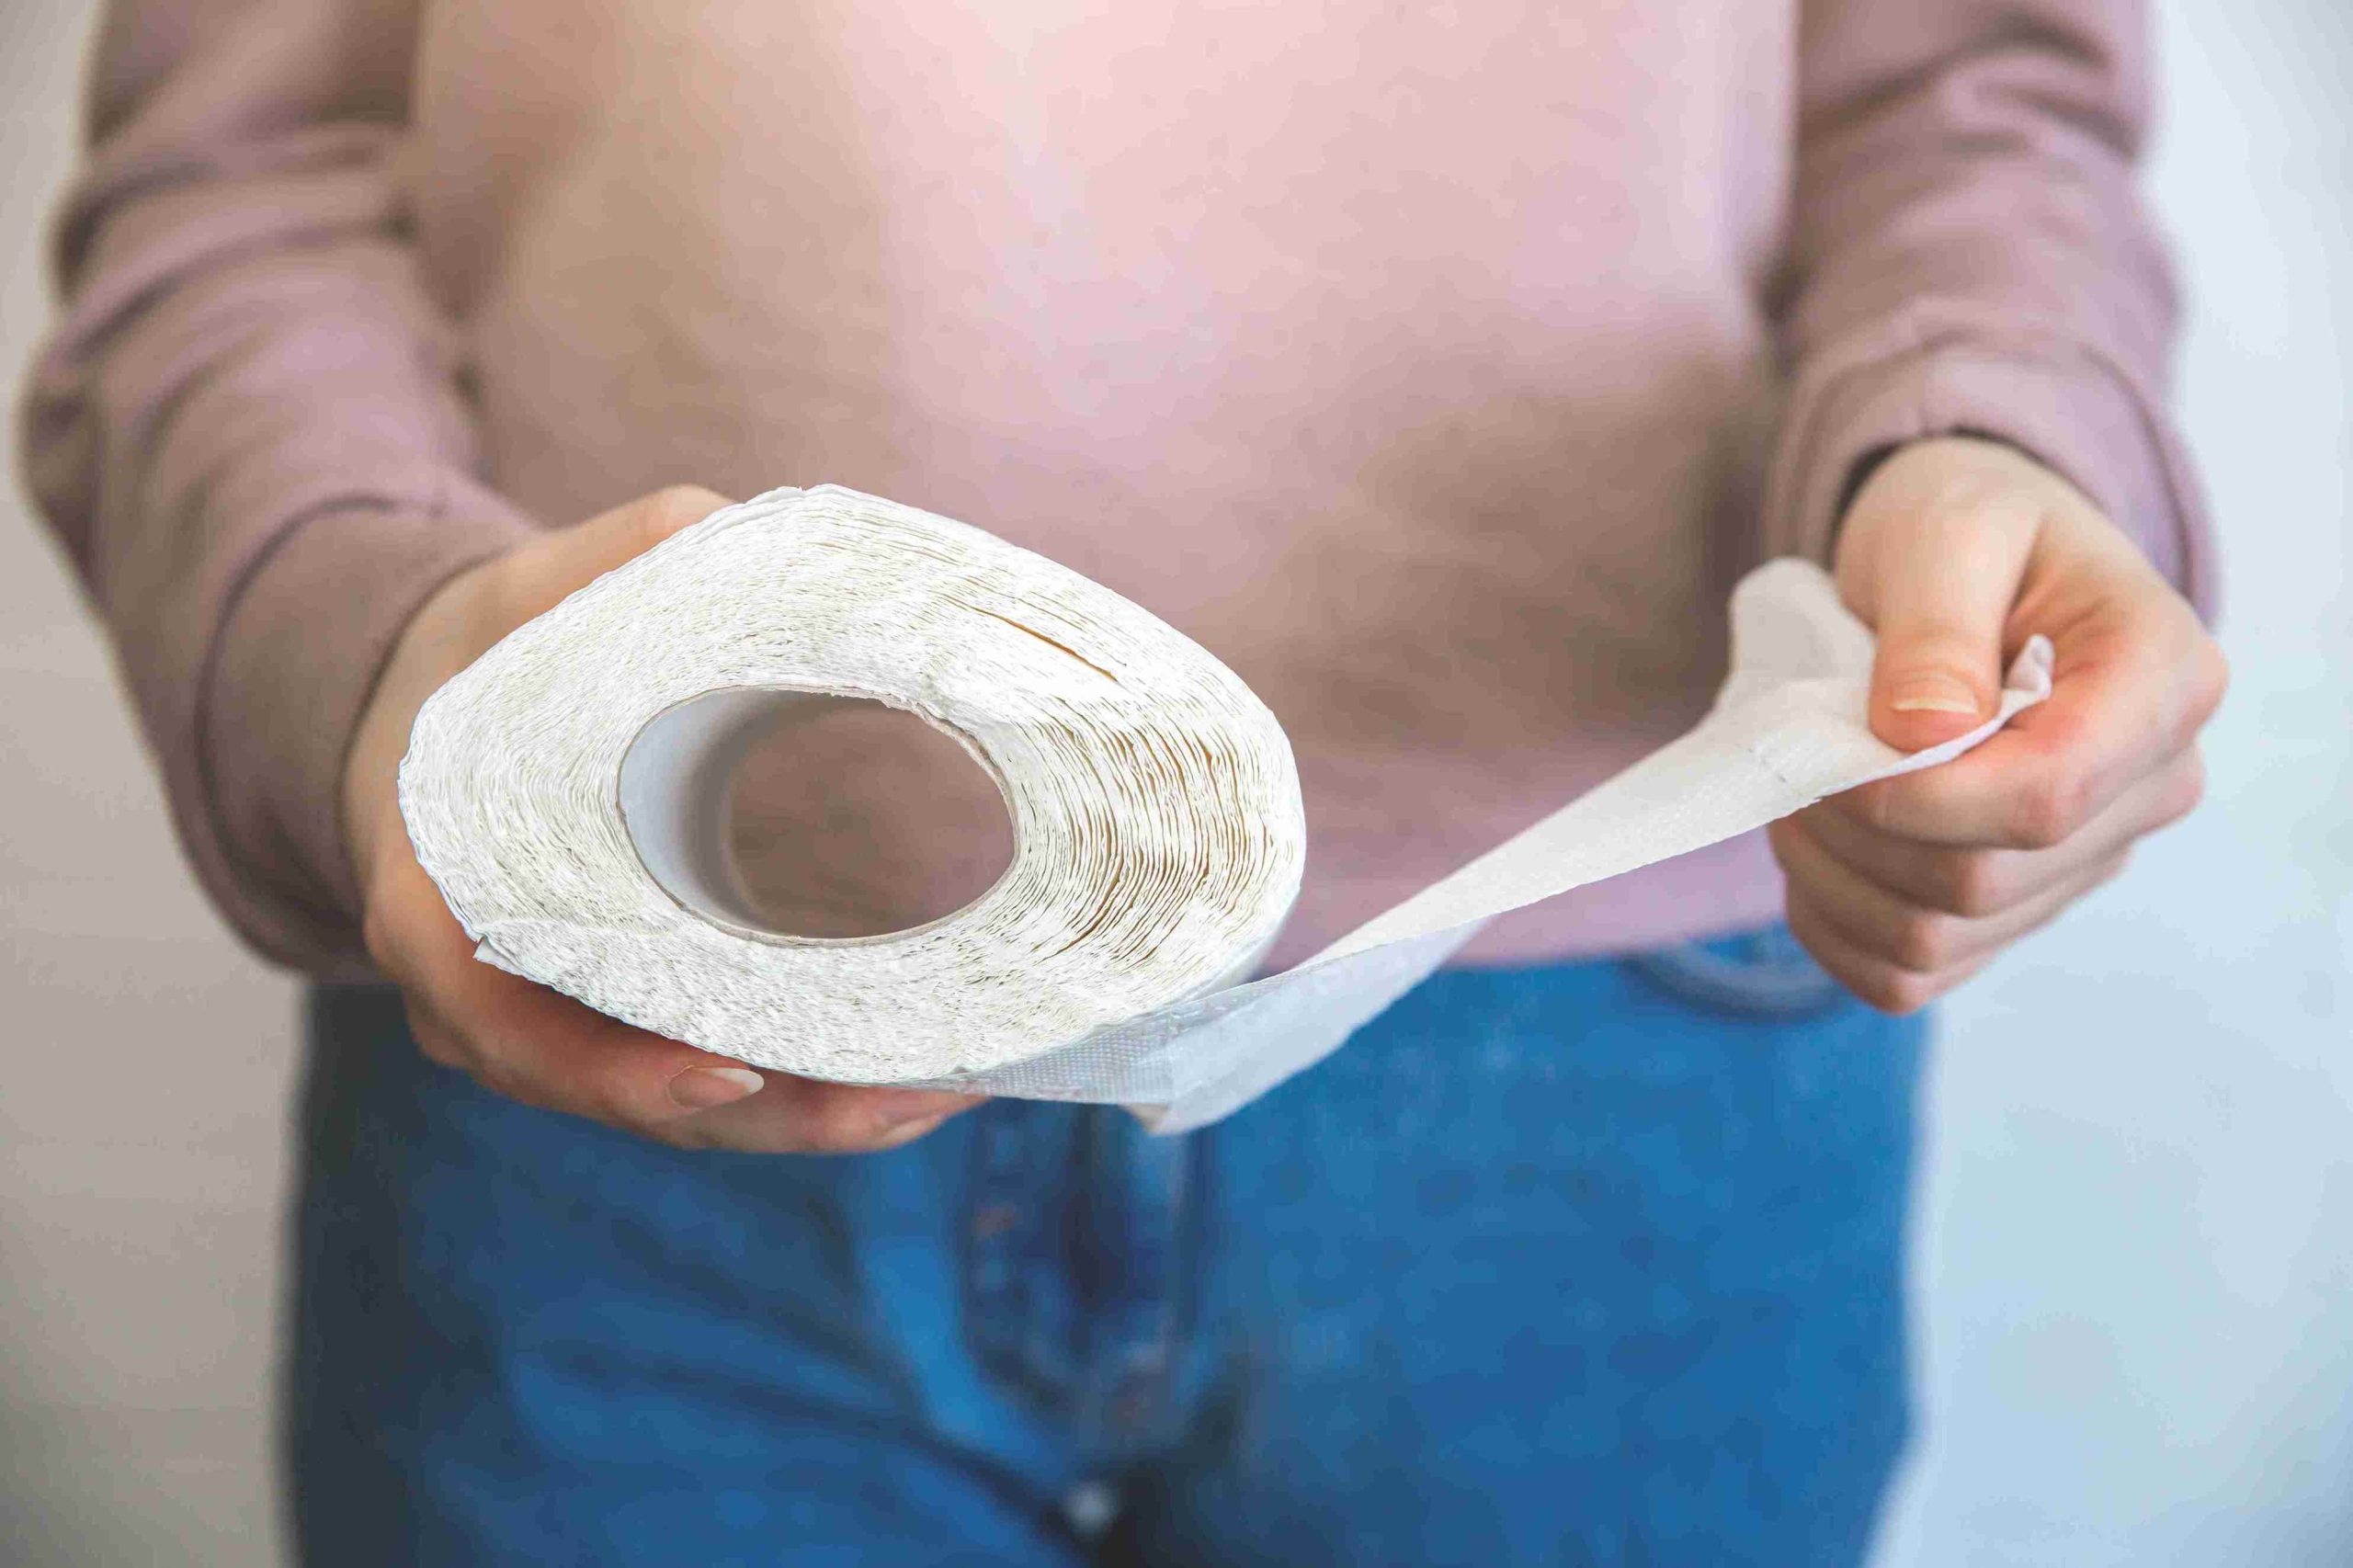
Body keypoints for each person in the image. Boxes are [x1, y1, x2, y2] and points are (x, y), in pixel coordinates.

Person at [20, 1, 2223, 1562]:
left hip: (1619, 1063)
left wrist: (1982, 439)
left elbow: (1958, 96)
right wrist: (372, 652)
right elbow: (245, 176)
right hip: (610, 1043)